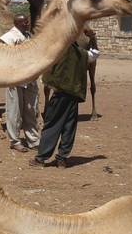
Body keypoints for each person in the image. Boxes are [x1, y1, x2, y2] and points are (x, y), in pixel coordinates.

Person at [29, 28, 100, 169]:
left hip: (60, 95)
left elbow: (46, 75)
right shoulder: (80, 53)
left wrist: (51, 85)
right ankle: (61, 159)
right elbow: (95, 54)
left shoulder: (56, 52)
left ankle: (41, 158)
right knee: (69, 127)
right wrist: (93, 39)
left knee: (52, 126)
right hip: (73, 96)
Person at [0, 14, 39, 152]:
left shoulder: (29, 37)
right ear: (17, 23)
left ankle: (33, 140)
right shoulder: (8, 38)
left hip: (30, 78)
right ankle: (14, 140)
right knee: (14, 111)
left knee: (31, 110)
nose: (27, 24)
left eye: (28, 22)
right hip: (15, 79)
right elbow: (5, 57)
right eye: (25, 22)